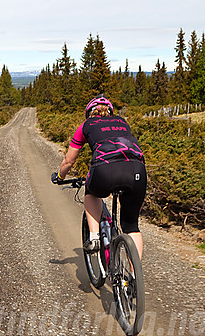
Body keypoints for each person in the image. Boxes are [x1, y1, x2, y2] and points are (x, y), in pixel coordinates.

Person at [52, 95, 147, 259]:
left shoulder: (85, 126)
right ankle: (132, 277)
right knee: (132, 227)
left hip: (105, 170)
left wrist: (60, 176)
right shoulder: (122, 122)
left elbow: (69, 160)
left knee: (91, 193)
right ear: (110, 111)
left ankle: (95, 238)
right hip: (137, 169)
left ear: (89, 113)